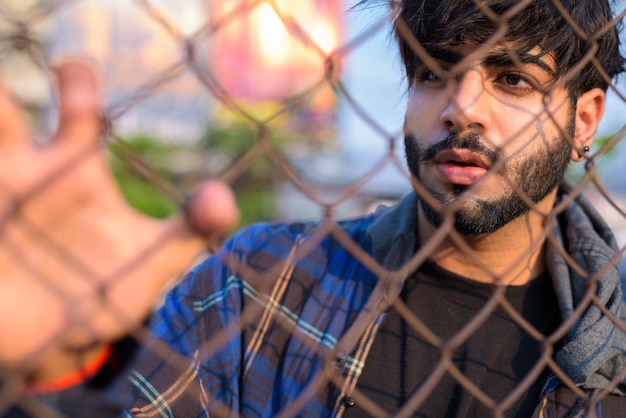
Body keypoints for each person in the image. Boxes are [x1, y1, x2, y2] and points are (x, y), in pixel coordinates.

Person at [1, 0, 625, 417]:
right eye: (435, 72)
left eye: (512, 79)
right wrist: (62, 372)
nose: (462, 109)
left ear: (585, 120)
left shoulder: (614, 337)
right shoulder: (260, 283)